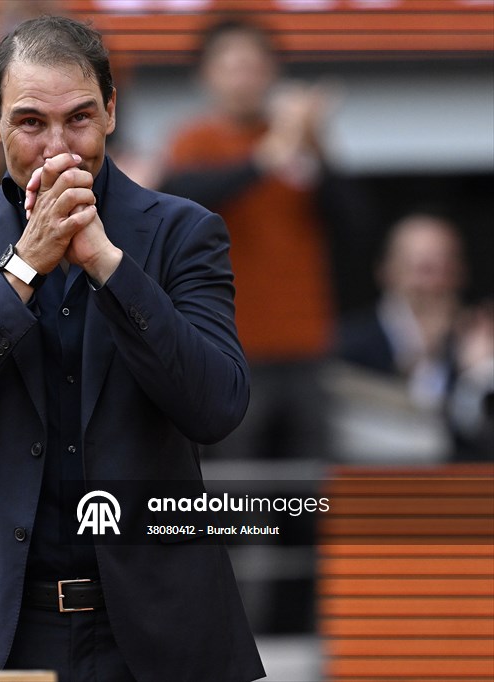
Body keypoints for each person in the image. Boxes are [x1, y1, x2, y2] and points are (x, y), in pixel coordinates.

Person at [0, 16, 264, 681]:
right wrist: (23, 269)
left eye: (79, 118)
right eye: (31, 122)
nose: (57, 148)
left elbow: (217, 407)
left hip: (156, 627)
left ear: (111, 111)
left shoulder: (185, 233)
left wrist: (110, 267)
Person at [161, 17, 336, 465]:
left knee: (307, 486)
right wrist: (265, 158)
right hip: (231, 348)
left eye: (254, 67)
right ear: (206, 75)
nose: (244, 79)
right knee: (240, 486)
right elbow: (181, 196)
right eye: (232, 67)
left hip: (305, 347)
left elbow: (352, 224)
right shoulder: (194, 141)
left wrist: (317, 147)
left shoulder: (296, 143)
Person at [337, 213, 494, 460]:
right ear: (386, 272)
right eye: (422, 269)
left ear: (462, 274)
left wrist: (478, 376)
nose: (434, 284)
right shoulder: (346, 346)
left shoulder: (479, 341)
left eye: (445, 269)